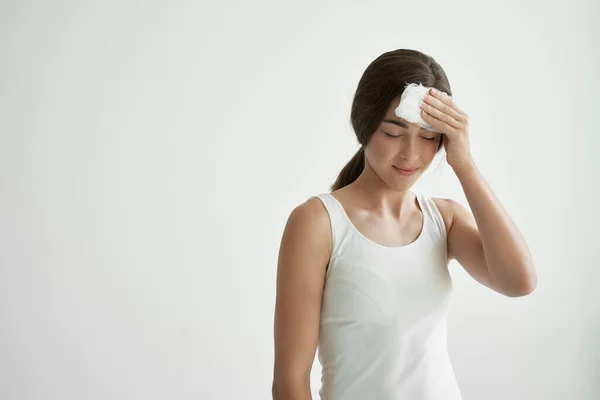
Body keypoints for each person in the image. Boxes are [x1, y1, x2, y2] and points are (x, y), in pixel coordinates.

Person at [271, 48, 537, 400]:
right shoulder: (318, 223)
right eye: (393, 133)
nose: (411, 154)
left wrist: (465, 164)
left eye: (428, 136)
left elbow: (519, 282)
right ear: (363, 125)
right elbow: (290, 382)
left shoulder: (444, 219)